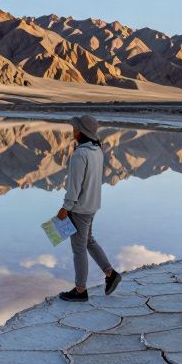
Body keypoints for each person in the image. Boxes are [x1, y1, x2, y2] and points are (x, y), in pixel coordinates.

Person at [56, 115, 121, 302]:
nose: (73, 131)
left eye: (75, 128)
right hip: (92, 205)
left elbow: (75, 185)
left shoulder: (79, 154)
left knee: (79, 249)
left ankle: (80, 290)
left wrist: (65, 207)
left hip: (79, 208)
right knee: (89, 241)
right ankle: (110, 274)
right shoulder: (97, 150)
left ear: (82, 131)